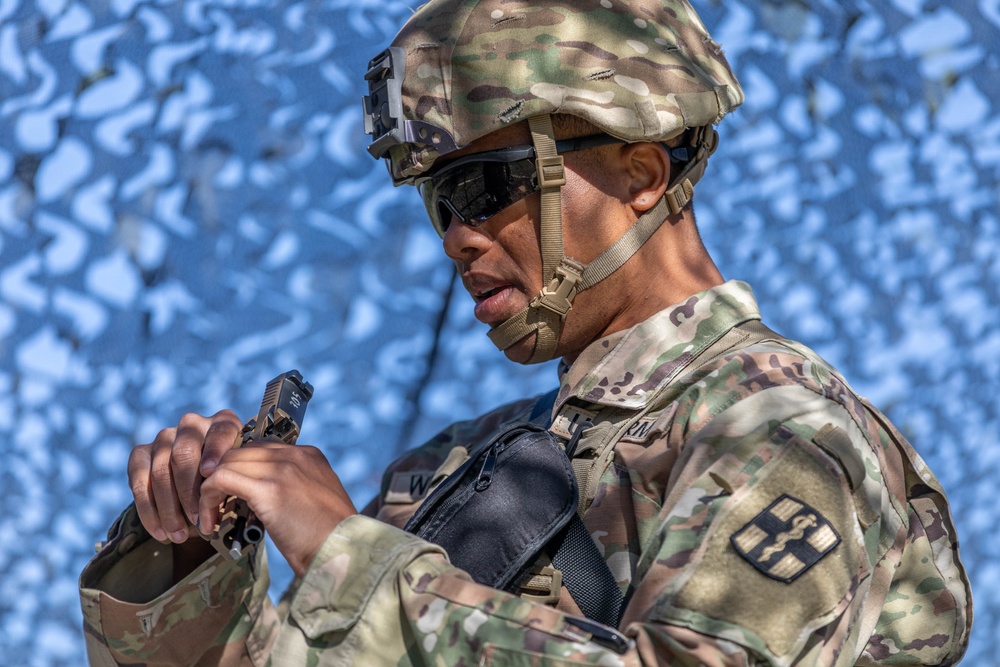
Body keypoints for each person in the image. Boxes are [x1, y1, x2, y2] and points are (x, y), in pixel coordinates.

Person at [79, 0, 973, 664]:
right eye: (439, 205)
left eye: (487, 188)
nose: (459, 238)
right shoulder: (456, 469)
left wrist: (348, 558)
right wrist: (188, 560)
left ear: (641, 174)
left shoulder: (779, 430)